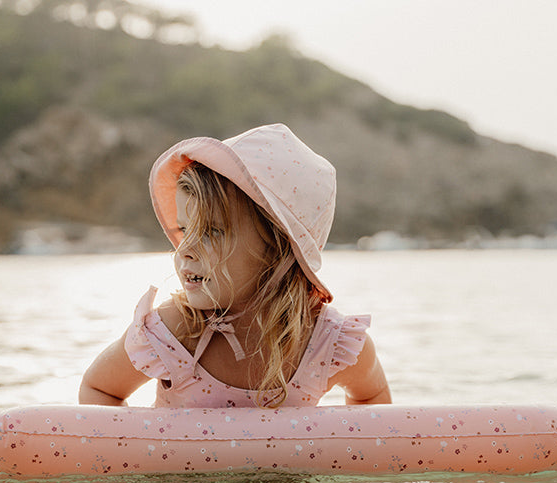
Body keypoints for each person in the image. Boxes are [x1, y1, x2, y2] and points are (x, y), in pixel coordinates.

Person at [79, 123, 391, 408]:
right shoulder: (173, 335)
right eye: (185, 230)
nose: (183, 251)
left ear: (278, 247)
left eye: (212, 231)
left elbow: (374, 403)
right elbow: (99, 389)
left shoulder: (329, 343)